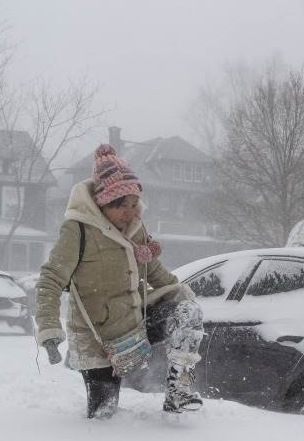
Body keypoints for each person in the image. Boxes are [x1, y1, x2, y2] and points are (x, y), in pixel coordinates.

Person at [35, 144, 205, 419]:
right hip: (97, 337)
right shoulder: (77, 229)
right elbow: (50, 280)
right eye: (121, 205)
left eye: (133, 203)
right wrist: (50, 330)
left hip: (136, 323)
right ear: (103, 203)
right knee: (104, 415)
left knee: (186, 311)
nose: (130, 212)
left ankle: (179, 391)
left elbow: (157, 274)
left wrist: (186, 297)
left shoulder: (135, 230)